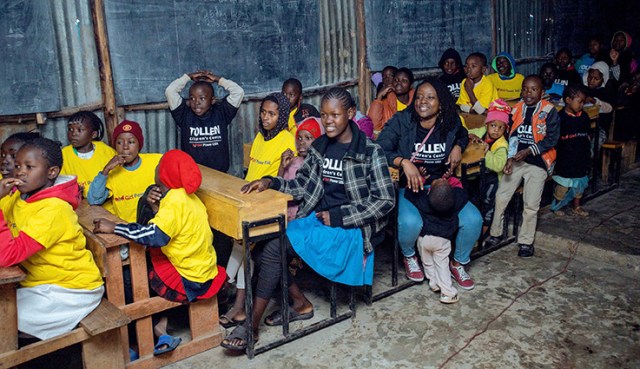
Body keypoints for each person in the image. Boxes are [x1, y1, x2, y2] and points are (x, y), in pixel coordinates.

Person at [221, 87, 395, 351]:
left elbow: (385, 201)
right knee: (264, 247)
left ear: (349, 114)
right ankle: (299, 305)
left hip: (351, 228)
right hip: (317, 221)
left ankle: (253, 326)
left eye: (335, 115)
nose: (328, 121)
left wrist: (339, 216)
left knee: (272, 249)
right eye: (324, 115)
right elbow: (302, 186)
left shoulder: (370, 151)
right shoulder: (321, 147)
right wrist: (271, 182)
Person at [93, 149, 226, 356]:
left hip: (189, 278)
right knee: (143, 262)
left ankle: (138, 337)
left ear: (163, 175)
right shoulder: (186, 197)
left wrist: (114, 227)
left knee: (127, 278)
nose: (155, 167)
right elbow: (175, 226)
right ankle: (159, 328)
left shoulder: (174, 202)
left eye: (159, 165)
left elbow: (155, 235)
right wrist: (155, 210)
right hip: (203, 268)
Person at [377, 77, 482, 289]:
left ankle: (458, 262)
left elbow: (462, 134)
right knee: (409, 224)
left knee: (473, 220)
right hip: (413, 187)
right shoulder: (402, 120)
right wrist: (403, 162)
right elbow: (379, 148)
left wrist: (458, 147)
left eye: (430, 98)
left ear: (441, 103)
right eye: (420, 97)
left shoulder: (450, 121)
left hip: (443, 186)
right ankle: (409, 256)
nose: (422, 102)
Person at [0, 138, 104, 341]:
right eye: (18, 165)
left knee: (6, 318)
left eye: (29, 167)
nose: (20, 172)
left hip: (70, 290)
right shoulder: (17, 195)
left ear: (52, 173)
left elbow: (8, 255)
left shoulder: (54, 209)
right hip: (37, 282)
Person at [222, 92, 296, 328]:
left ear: (281, 116)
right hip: (249, 200)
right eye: (263, 112)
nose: (265, 117)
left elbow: (279, 180)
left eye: (272, 114)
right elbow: (251, 172)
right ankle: (227, 288)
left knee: (246, 246)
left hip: (267, 205)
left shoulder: (286, 140)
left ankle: (236, 301)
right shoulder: (260, 137)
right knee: (238, 241)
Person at [484, 76, 560, 257]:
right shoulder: (516, 109)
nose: (528, 93)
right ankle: (495, 234)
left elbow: (552, 139)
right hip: (517, 160)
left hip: (538, 162)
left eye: (533, 90)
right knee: (501, 196)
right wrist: (509, 159)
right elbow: (512, 137)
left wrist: (528, 152)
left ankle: (526, 242)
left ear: (542, 92)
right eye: (525, 89)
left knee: (531, 204)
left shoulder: (550, 111)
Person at [165, 70, 244, 172]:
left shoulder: (222, 113)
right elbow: (170, 91)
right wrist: (188, 77)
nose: (196, 102)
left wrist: (218, 79)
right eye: (192, 98)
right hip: (192, 174)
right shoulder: (184, 115)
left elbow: (238, 92)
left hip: (220, 174)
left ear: (212, 100)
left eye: (202, 98)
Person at [404, 178, 469, 304]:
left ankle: (433, 282)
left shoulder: (423, 200)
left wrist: (421, 179)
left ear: (428, 192)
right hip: (441, 241)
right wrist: (451, 179)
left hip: (423, 239)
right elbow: (462, 191)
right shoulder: (457, 200)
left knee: (427, 262)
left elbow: (409, 192)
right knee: (442, 265)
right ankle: (448, 293)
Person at [87, 120, 162, 223]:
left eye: (131, 142)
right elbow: (94, 200)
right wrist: (106, 170)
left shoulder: (156, 161)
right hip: (126, 230)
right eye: (119, 142)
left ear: (139, 144)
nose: (125, 147)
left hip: (154, 225)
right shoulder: (112, 171)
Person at [467, 99, 510, 236]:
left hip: (492, 180)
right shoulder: (480, 132)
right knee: (472, 201)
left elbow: (499, 165)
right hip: (476, 176)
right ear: (487, 125)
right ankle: (472, 231)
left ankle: (482, 235)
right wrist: (469, 135)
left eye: (501, 127)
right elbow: (467, 132)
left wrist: (486, 152)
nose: (496, 130)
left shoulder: (502, 145)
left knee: (487, 206)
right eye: (493, 125)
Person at [551, 84, 591, 217]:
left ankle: (577, 206)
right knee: (563, 185)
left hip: (581, 156)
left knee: (579, 184)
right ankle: (557, 205)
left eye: (583, 102)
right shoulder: (560, 117)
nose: (582, 105)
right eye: (579, 102)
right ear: (568, 100)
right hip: (565, 157)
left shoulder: (584, 117)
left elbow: (588, 135)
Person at [60, 111, 116, 198]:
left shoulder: (106, 152)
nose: (73, 134)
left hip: (107, 205)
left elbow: (116, 181)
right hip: (78, 206)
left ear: (93, 134)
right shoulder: (64, 155)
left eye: (79, 130)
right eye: (70, 129)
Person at [278, 117, 324, 220]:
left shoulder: (318, 164)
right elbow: (280, 190)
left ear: (319, 140)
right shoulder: (292, 161)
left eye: (308, 138)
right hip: (285, 213)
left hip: (304, 217)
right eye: (299, 138)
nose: (301, 142)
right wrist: (282, 167)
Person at [368, 67, 415, 133]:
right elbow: (373, 126)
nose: (399, 83)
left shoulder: (416, 103)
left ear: (411, 85)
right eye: (396, 80)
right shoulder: (385, 103)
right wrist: (379, 97)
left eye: (404, 81)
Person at [583, 61, 615, 143]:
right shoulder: (583, 90)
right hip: (583, 127)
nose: (591, 81)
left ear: (603, 79)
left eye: (596, 79)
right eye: (590, 77)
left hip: (599, 129)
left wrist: (593, 100)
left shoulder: (606, 93)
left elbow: (609, 108)